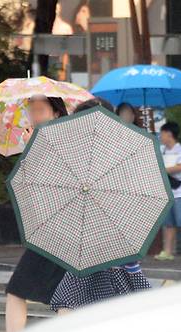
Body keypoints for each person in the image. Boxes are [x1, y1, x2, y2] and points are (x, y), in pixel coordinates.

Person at [49, 98, 152, 315]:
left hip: (111, 249)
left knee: (73, 309)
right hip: (87, 247)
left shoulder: (119, 154)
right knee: (69, 308)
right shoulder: (79, 153)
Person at [5, 95, 69, 332]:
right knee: (62, 296)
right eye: (31, 110)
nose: (34, 116)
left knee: (19, 289)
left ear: (56, 114)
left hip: (60, 230)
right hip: (48, 230)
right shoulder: (38, 142)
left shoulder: (63, 143)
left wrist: (33, 151)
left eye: (41, 110)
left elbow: (52, 182)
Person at [155, 122, 181, 261]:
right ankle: (167, 251)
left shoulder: (180, 149)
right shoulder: (162, 150)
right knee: (168, 223)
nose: (160, 136)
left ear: (169, 134)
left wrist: (166, 170)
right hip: (168, 190)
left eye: (162, 133)